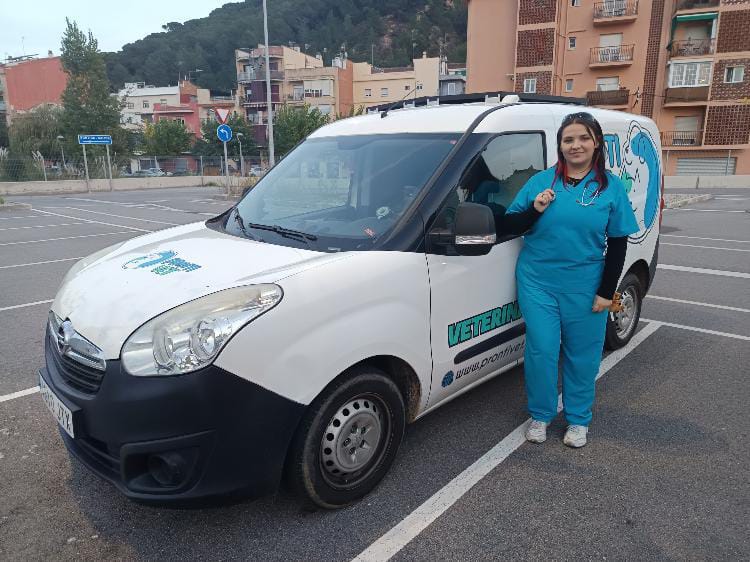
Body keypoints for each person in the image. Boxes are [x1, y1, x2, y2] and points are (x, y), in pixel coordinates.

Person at [502, 112, 639, 448]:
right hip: (538, 281)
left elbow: (618, 242)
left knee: (583, 353)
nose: (575, 145)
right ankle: (541, 414)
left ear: (596, 142)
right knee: (542, 349)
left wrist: (607, 293)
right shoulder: (541, 182)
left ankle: (578, 419)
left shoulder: (610, 187)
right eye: (568, 139)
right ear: (560, 145)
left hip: (586, 283)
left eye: (583, 138)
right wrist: (535, 209)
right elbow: (510, 226)